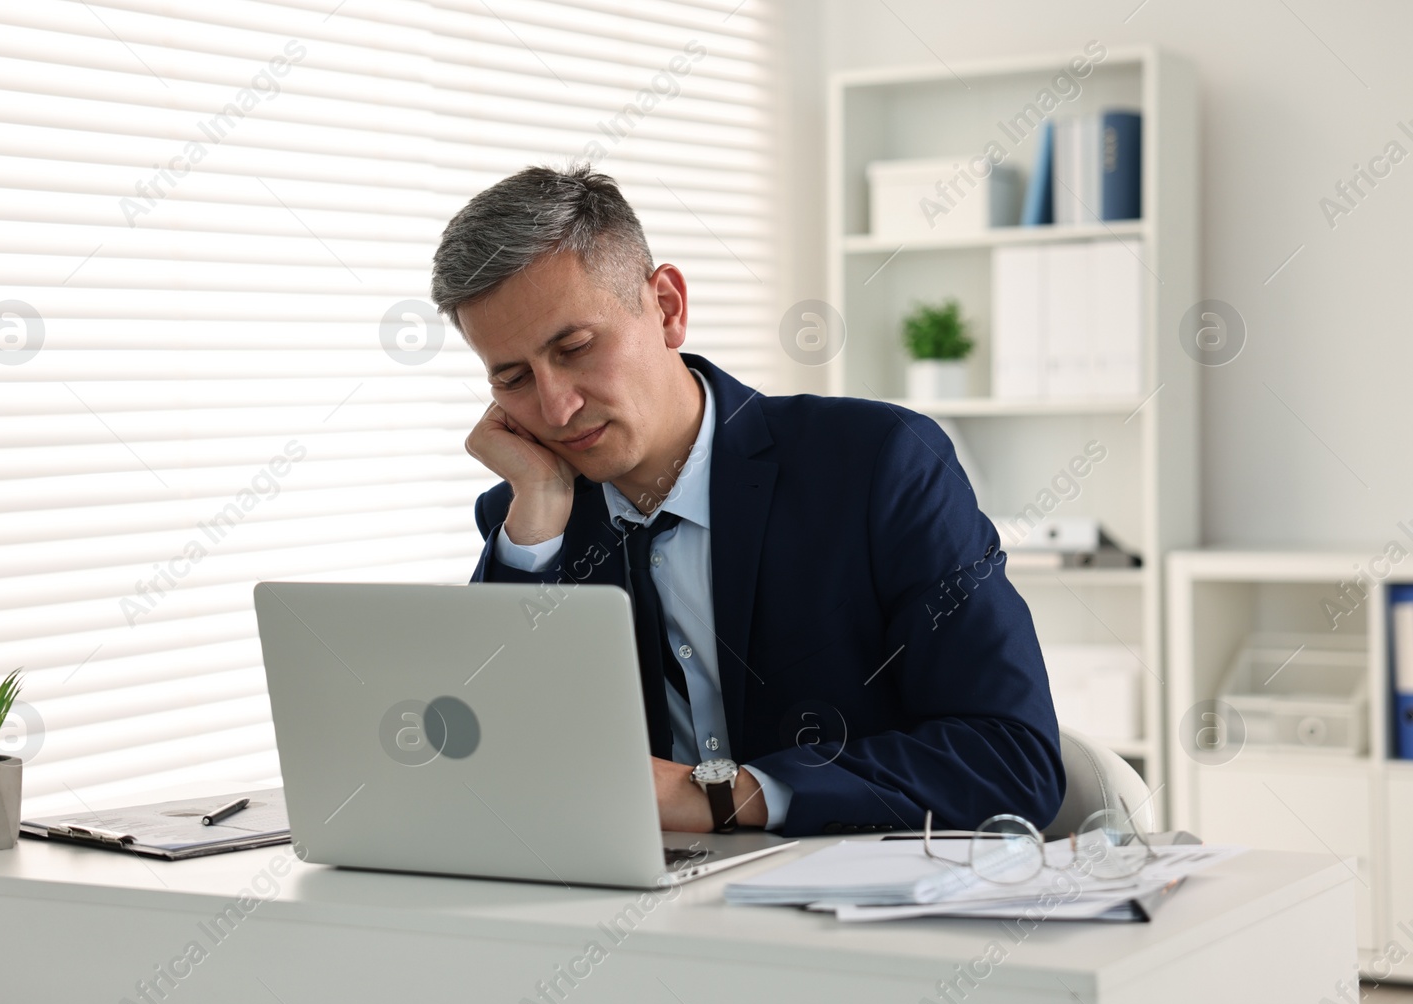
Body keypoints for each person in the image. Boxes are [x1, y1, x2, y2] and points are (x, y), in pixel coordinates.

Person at [431, 164, 1063, 838]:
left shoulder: (879, 463)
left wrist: (724, 796)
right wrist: (533, 516)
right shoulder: (535, 516)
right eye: (513, 377)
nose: (557, 407)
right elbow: (487, 769)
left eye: (576, 347)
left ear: (668, 307)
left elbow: (1010, 757)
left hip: (851, 904)